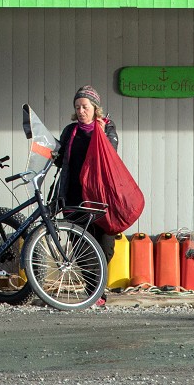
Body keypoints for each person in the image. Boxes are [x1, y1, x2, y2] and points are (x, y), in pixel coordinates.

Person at [53, 85, 121, 262]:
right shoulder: (70, 131)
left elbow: (110, 155)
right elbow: (60, 160)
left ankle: (99, 285)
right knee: (80, 246)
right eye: (77, 107)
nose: (81, 111)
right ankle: (93, 288)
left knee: (105, 245)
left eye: (85, 107)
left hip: (100, 197)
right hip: (74, 196)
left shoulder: (107, 128)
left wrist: (101, 135)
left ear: (95, 108)